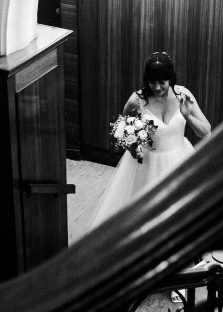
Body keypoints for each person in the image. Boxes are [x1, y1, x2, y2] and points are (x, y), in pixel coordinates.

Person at [90, 51, 211, 229]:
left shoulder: (183, 95)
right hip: (149, 164)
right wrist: (132, 147)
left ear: (171, 79)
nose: (157, 87)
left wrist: (188, 117)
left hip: (181, 160)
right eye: (152, 82)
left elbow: (206, 131)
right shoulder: (136, 100)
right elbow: (123, 129)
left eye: (162, 82)